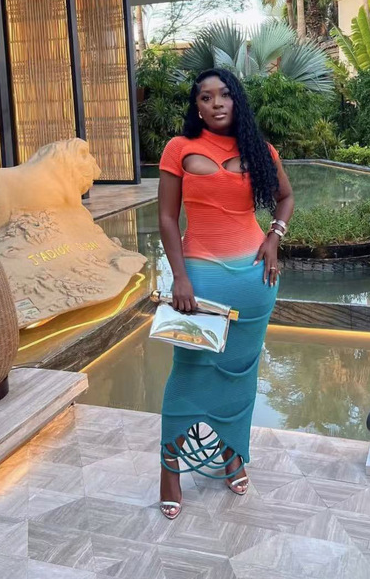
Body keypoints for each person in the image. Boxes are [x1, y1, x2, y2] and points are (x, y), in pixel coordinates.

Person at [157, 67, 295, 519]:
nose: (215, 103)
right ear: (196, 106)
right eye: (205, 97)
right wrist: (179, 277)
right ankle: (170, 470)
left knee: (240, 374)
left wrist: (274, 237)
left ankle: (232, 454)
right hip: (199, 282)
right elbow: (167, 218)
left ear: (236, 99)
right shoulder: (179, 148)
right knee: (188, 372)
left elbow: (286, 198)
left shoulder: (260, 149)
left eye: (223, 95)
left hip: (255, 281)